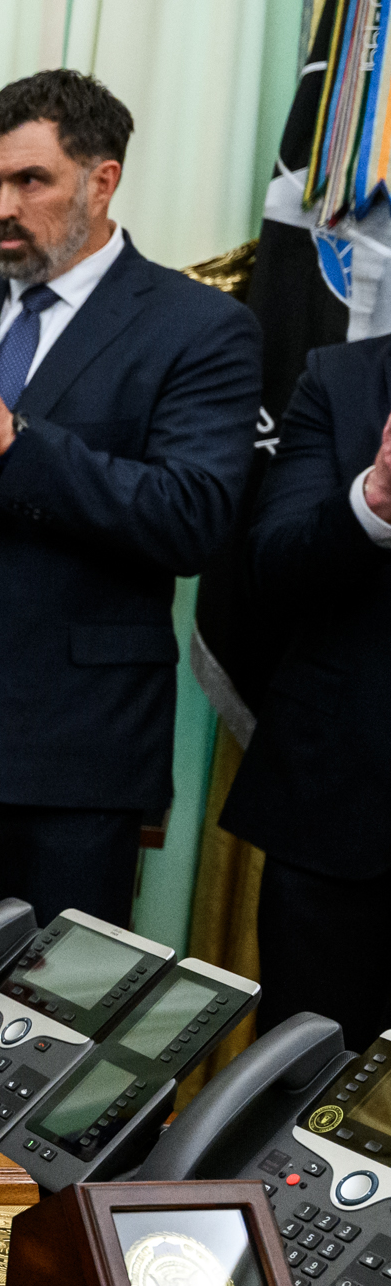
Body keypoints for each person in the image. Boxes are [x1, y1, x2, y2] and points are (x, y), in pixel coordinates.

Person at [0, 72, 260, 1011]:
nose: (2, 207)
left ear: (103, 182)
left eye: (30, 182)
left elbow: (189, 516)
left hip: (76, 749)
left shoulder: (201, 330)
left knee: (52, 1047)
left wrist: (18, 444)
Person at [217, 332, 389, 1040]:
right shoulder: (341, 377)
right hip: (341, 817)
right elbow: (273, 568)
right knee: (306, 1100)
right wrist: (374, 502)